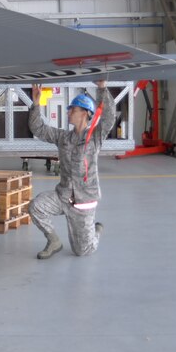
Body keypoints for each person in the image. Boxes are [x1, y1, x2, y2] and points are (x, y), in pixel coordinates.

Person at [29, 84, 116, 260]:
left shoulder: (95, 137)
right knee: (35, 206)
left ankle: (95, 232)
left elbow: (109, 117)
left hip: (83, 202)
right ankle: (53, 241)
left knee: (82, 251)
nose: (68, 112)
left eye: (72, 109)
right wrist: (36, 104)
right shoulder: (64, 137)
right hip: (62, 197)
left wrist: (102, 89)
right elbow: (38, 129)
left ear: (85, 113)